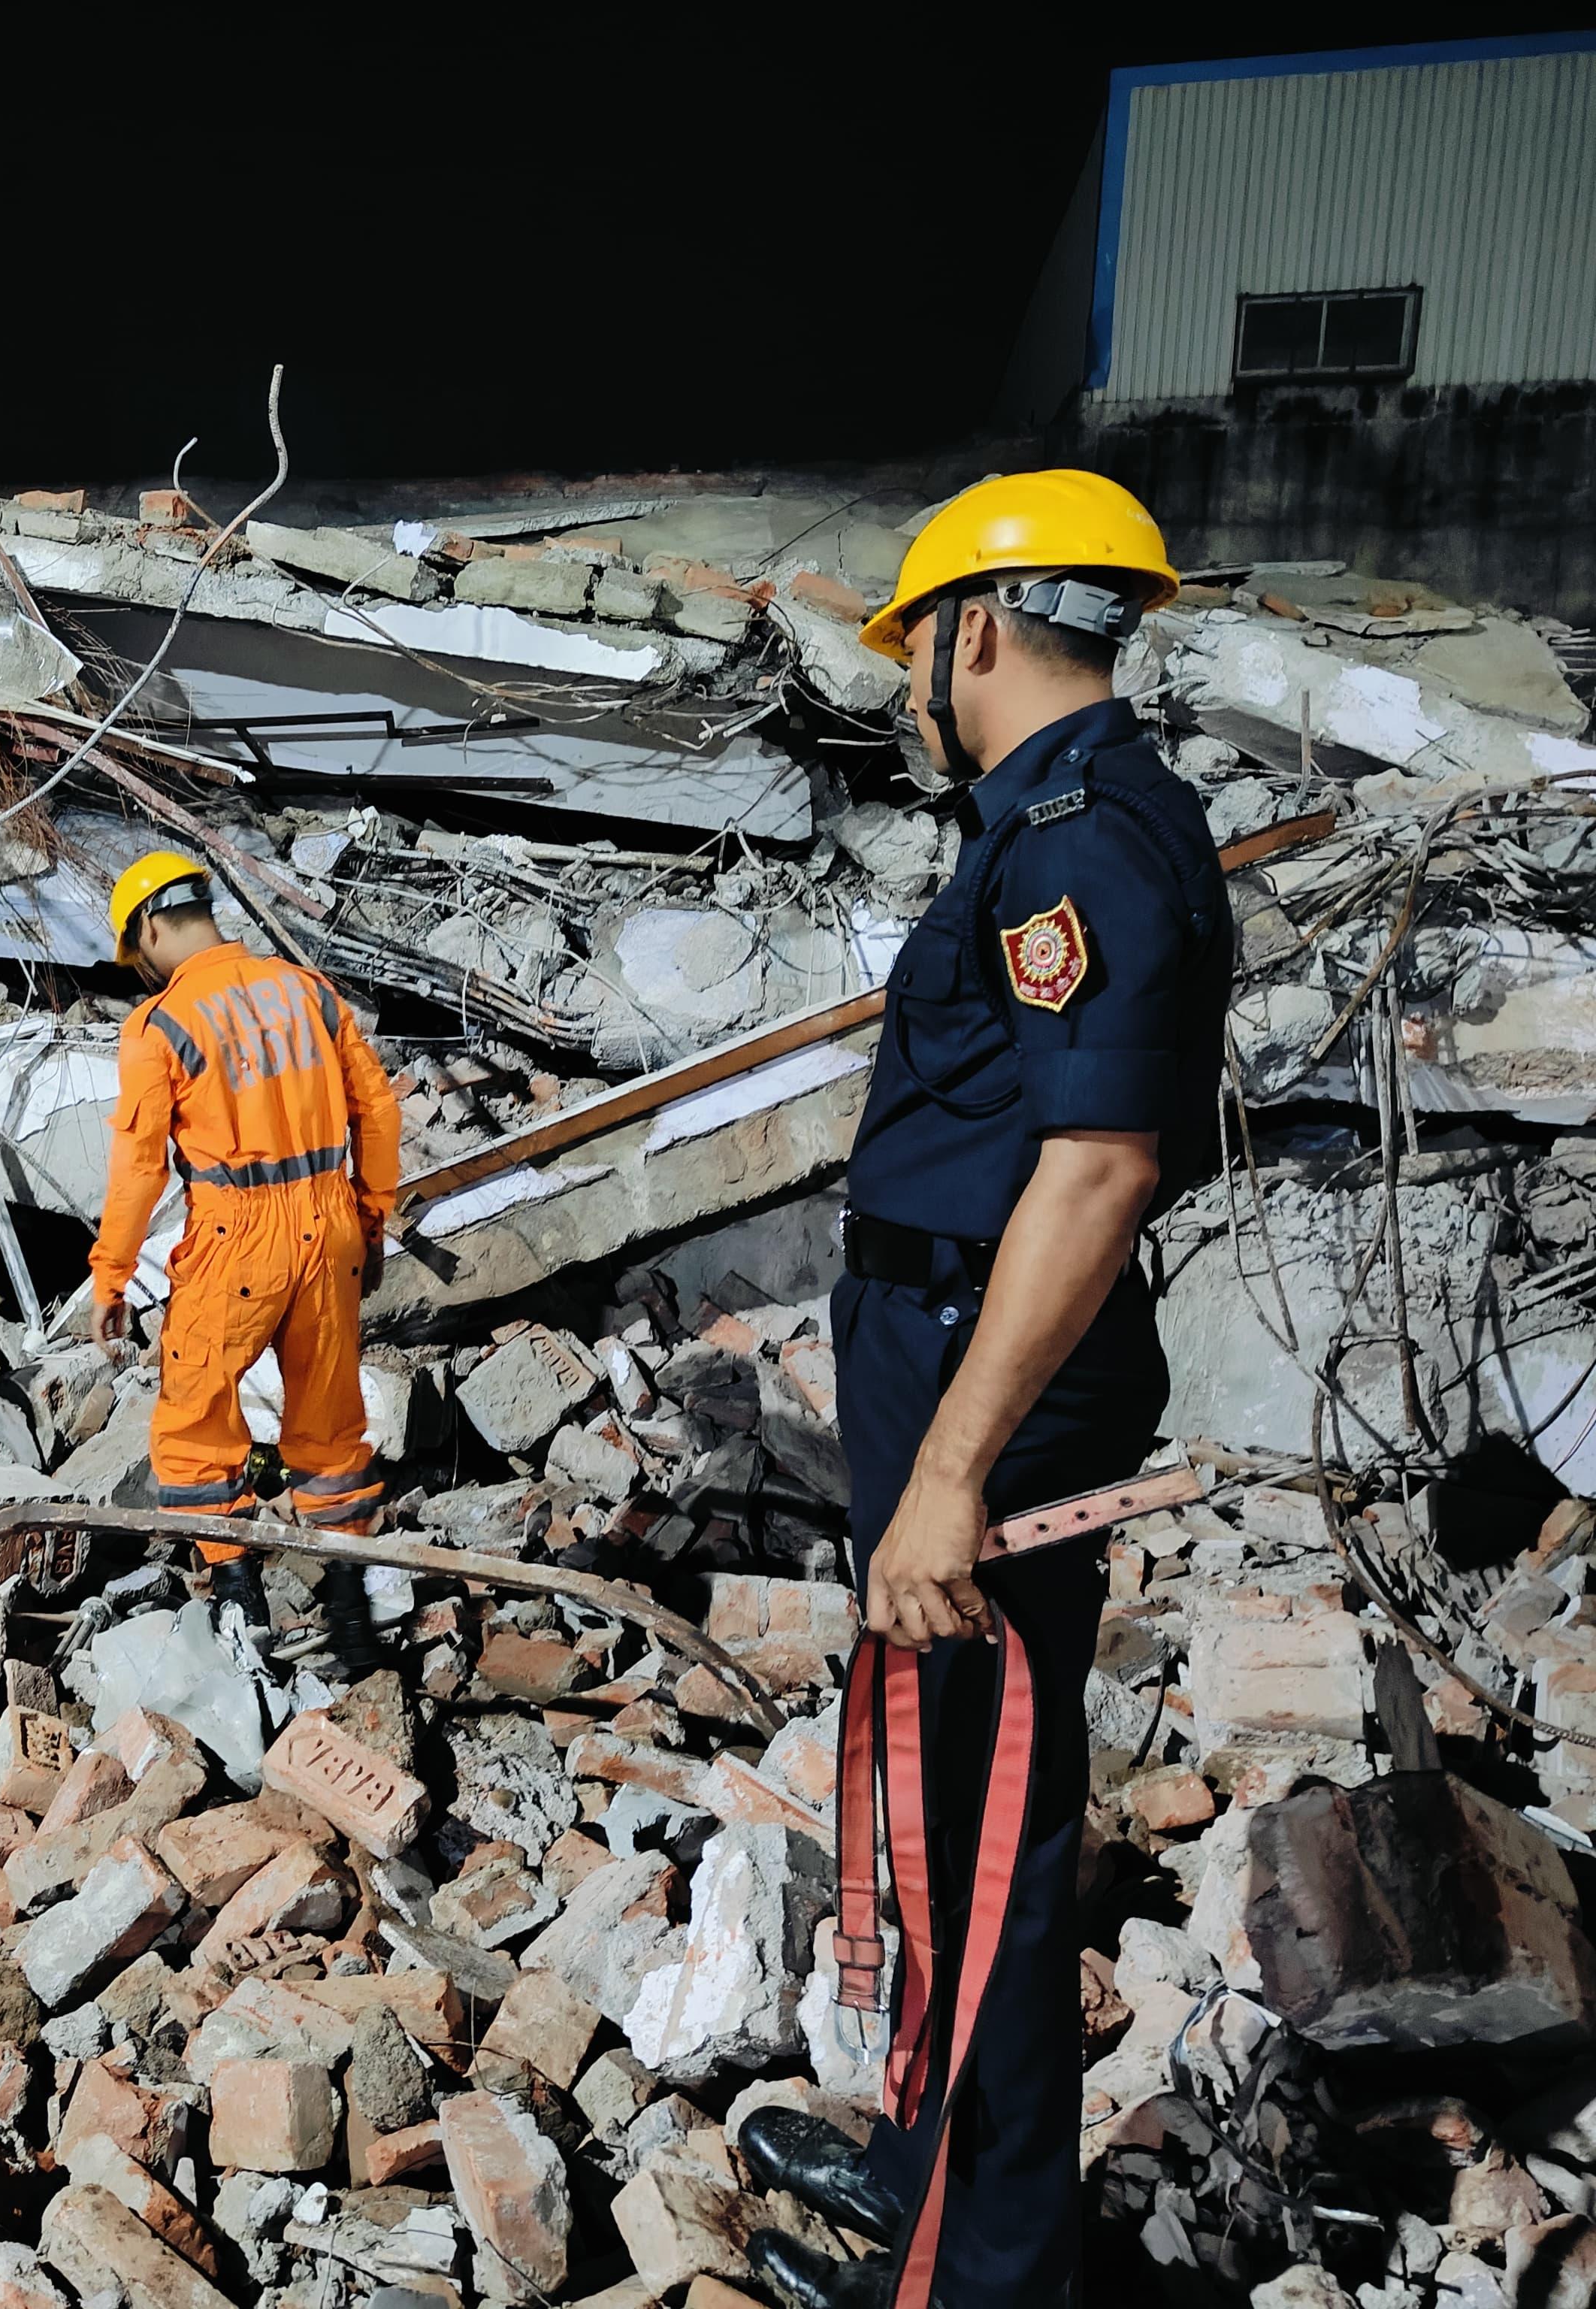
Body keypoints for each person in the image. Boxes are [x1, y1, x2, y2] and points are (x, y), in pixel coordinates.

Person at [736, 473, 1231, 2309]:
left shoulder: (1082, 836)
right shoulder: (1050, 821)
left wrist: (947, 1472)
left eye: (914, 654)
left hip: (986, 1375)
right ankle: (924, 2157)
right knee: (938, 1787)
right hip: (949, 1345)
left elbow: (1093, 1169)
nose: (909, 690)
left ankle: (985, 2268)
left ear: (974, 628)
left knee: (979, 1825)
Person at [87, 851, 403, 1666]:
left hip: (237, 1236)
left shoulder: (160, 1027)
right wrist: (369, 1221)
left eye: (139, 955)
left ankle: (237, 1597)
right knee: (330, 1427)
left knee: (194, 1427)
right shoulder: (307, 991)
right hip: (329, 1222)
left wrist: (112, 1276)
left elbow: (139, 1170)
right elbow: (376, 1109)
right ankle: (351, 1609)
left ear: (148, 929)